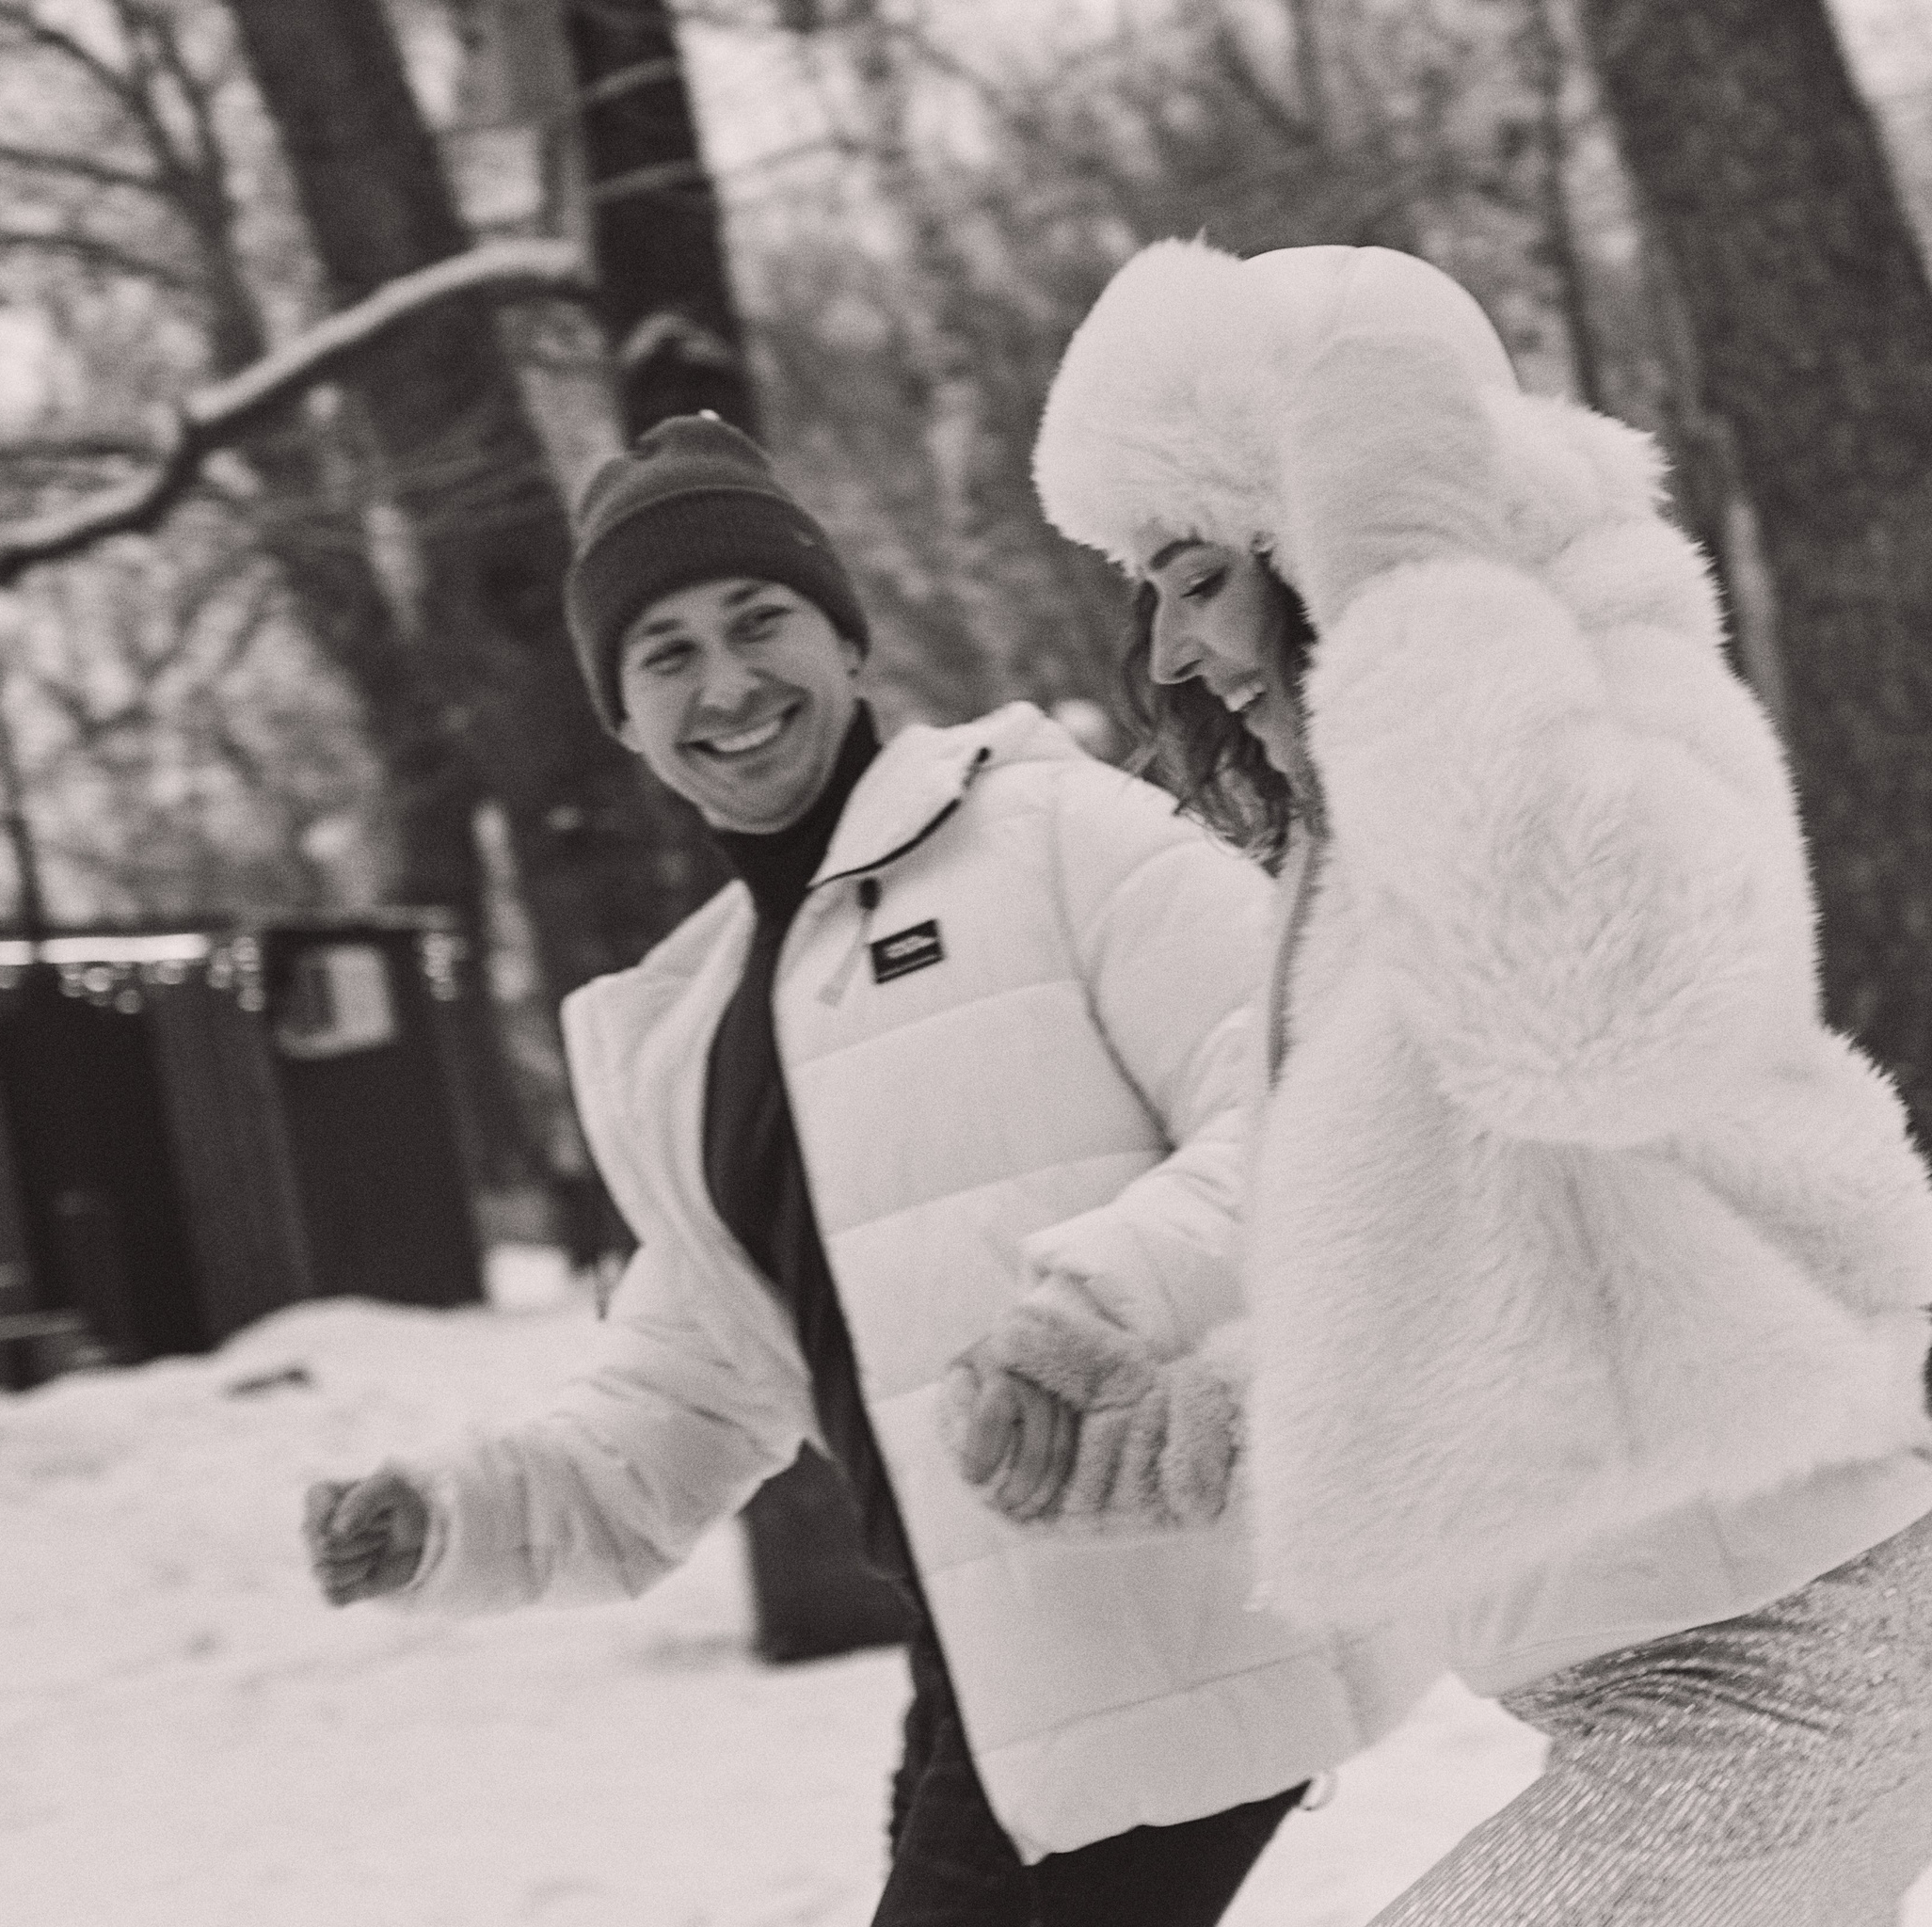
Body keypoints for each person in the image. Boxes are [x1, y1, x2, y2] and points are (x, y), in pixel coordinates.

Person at [305, 413, 1431, 1924]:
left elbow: (1318, 1104)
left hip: (1181, 1622)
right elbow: (681, 1398)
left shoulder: (1048, 835)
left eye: (759, 622)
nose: (726, 684)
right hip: (995, 1664)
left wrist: (1091, 1306)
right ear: (623, 723)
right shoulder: (695, 1034)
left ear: (845, 641)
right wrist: (450, 1519)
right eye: (665, 655)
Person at [951, 236, 1932, 1923]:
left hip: (1804, 1658)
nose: (1172, 657)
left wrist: (1409, 579)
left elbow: (1588, 1025)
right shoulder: (1370, 832)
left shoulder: (1605, 684)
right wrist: (1169, 1392)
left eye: (1195, 576)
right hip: (1659, 1685)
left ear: (1313, 522)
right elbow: (1484, 1234)